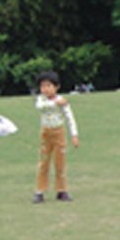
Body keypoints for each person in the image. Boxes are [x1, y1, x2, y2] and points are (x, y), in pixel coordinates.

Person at [32, 70, 79, 204]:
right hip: (46, 133)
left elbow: (70, 118)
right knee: (43, 162)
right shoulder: (42, 100)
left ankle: (61, 190)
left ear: (56, 87)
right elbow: (40, 107)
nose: (45, 89)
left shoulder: (62, 101)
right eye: (42, 86)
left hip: (59, 132)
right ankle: (40, 191)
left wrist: (74, 135)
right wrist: (55, 103)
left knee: (60, 163)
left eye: (48, 86)